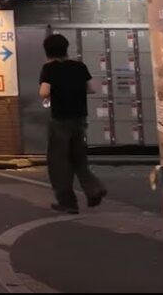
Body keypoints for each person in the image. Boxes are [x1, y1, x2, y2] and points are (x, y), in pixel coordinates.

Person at [40, 33, 107, 214]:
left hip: (60, 119)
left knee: (59, 162)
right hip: (79, 119)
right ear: (66, 48)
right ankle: (94, 189)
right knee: (79, 159)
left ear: (47, 51)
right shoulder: (79, 66)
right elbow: (92, 88)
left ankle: (67, 202)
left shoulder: (49, 68)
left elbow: (44, 92)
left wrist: (53, 91)